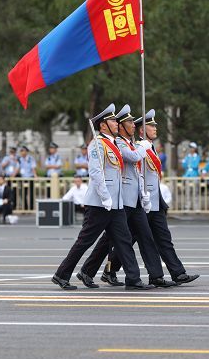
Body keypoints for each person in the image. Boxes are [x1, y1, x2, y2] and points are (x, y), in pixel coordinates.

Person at [51, 104, 152, 291]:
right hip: (100, 204)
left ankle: (133, 279)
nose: (116, 123)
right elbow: (96, 173)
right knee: (85, 241)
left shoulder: (113, 144)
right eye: (112, 121)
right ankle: (61, 274)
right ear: (103, 125)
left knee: (124, 240)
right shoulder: (96, 144)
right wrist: (105, 197)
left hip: (116, 204)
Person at [98, 110, 199, 285]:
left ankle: (175, 273)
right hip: (139, 199)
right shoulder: (137, 146)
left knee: (161, 239)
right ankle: (107, 269)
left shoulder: (148, 147)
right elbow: (137, 171)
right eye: (151, 126)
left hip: (152, 199)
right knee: (127, 238)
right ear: (142, 130)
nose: (155, 128)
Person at [78, 104, 172, 289]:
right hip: (121, 200)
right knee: (110, 240)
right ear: (120, 126)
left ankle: (155, 276)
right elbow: (133, 159)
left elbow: (138, 172)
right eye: (128, 122)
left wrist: (143, 193)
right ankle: (91, 270)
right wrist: (143, 147)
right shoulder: (119, 143)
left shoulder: (128, 143)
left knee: (144, 237)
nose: (132, 125)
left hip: (132, 199)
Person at [181, 142, 201, 211]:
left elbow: (195, 166)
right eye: (190, 147)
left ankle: (196, 207)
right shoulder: (187, 157)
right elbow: (184, 166)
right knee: (187, 191)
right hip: (187, 175)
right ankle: (187, 206)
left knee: (195, 191)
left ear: (195, 149)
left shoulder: (197, 156)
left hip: (195, 175)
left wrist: (189, 165)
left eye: (192, 147)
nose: (191, 149)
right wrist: (183, 158)